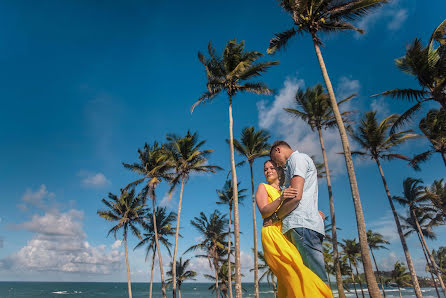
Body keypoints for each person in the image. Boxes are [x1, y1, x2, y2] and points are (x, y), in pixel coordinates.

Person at [256, 159, 332, 297]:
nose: (268, 171)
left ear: (279, 171)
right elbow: (264, 211)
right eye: (265, 169)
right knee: (294, 271)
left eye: (272, 168)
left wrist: (316, 215)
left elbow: (296, 209)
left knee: (286, 280)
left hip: (287, 233)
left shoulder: (286, 189)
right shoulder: (263, 187)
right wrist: (280, 199)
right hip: (272, 232)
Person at [269, 140, 330, 286]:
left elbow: (296, 197)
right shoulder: (294, 164)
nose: (276, 165)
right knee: (308, 280)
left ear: (278, 150)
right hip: (304, 225)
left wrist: (276, 216)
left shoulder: (297, 159)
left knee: (317, 280)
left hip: (301, 226)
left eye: (274, 160)